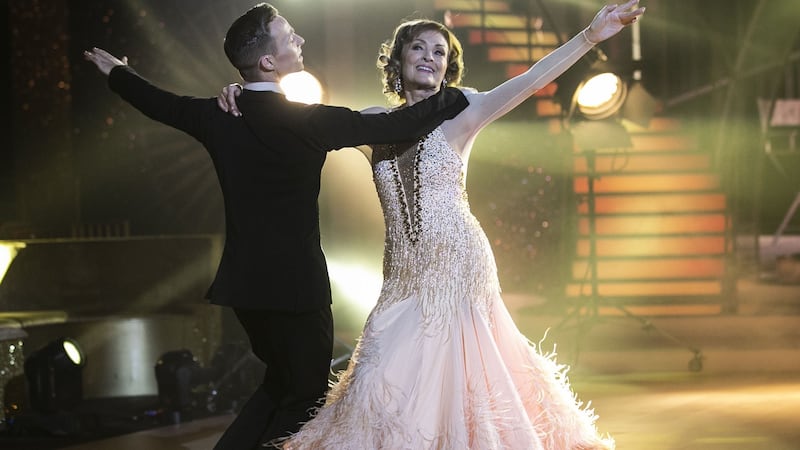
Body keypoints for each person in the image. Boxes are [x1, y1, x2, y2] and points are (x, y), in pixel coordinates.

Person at [220, 1, 644, 448]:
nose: (428, 56)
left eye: (439, 52)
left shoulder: (464, 111)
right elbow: (295, 124)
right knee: (384, 386)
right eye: (418, 48)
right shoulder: (371, 123)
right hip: (402, 277)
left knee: (459, 389)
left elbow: (531, 80)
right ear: (399, 61)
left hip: (459, 268)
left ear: (448, 67)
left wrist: (590, 37)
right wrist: (246, 92)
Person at [83, 3, 469, 449]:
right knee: (304, 397)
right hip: (296, 290)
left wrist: (118, 75)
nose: (300, 41)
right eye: (289, 37)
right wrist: (454, 97)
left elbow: (161, 104)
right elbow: (399, 123)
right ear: (268, 60)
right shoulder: (306, 120)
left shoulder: (219, 113)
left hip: (245, 290)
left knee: (279, 385)